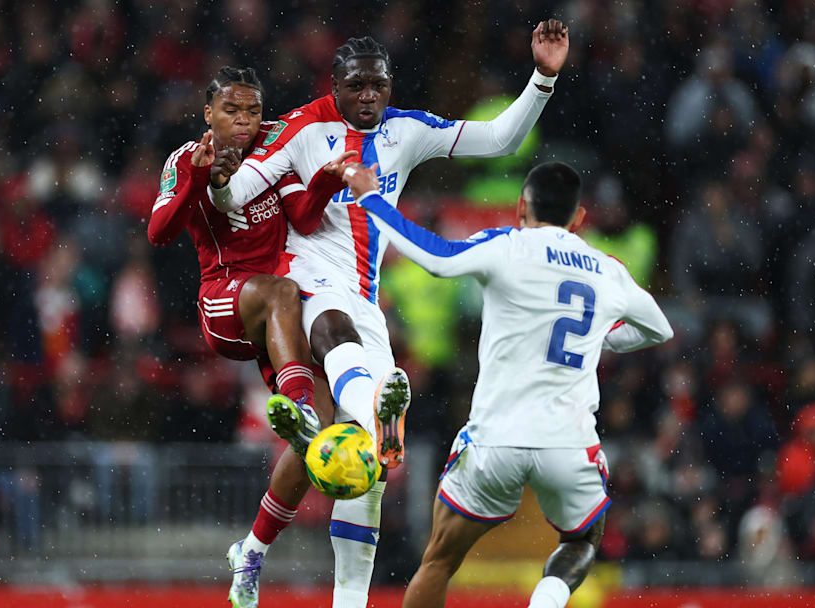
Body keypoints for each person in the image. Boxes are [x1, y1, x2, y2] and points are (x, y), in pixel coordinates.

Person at [215, 22, 569, 608]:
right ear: (335, 86)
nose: (369, 96)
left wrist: (543, 78)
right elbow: (237, 192)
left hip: (365, 299)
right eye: (357, 86)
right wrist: (223, 179)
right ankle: (369, 413)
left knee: (365, 468)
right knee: (331, 332)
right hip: (305, 278)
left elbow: (499, 140)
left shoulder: (407, 130)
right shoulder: (303, 128)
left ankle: (346, 596)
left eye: (378, 85)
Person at [340, 161, 674, 608]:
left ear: (520, 207)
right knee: (582, 540)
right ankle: (546, 602)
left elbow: (437, 259)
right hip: (567, 443)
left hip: (496, 440)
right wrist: (602, 341)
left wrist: (370, 198)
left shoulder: (507, 245)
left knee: (438, 560)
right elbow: (659, 329)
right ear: (579, 219)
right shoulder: (606, 268)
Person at [145, 66, 355, 608]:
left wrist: (329, 178)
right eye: (232, 111)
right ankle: (298, 403)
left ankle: (253, 552)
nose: (244, 122)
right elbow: (159, 232)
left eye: (253, 112)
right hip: (226, 300)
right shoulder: (185, 158)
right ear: (208, 113)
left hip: (275, 312)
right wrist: (195, 178)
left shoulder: (270, 154)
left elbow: (304, 219)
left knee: (320, 442)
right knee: (284, 294)